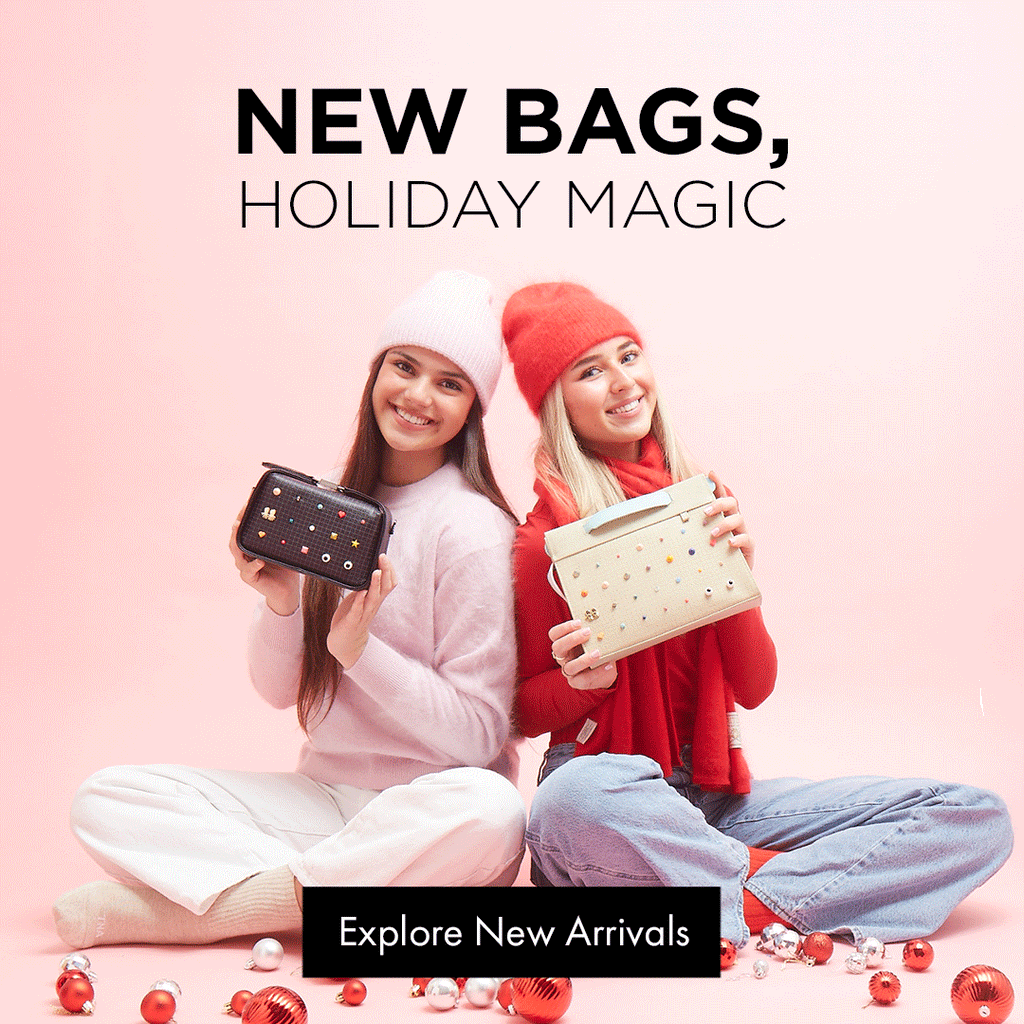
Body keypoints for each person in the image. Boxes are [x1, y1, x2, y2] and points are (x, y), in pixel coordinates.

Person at [502, 280, 1013, 948]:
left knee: (976, 815)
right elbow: (516, 712)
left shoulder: (705, 499)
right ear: (555, 401)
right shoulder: (545, 541)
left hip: (713, 794)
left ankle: (734, 901)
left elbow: (754, 686)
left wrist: (738, 579)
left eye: (630, 356)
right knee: (570, 801)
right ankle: (790, 892)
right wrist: (580, 685)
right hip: (615, 800)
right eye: (590, 371)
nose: (624, 381)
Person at [54, 270, 526, 949]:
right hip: (325, 806)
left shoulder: (473, 529)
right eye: (405, 366)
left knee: (494, 810)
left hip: (430, 816)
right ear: (376, 374)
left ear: (472, 409)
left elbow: (479, 739)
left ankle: (210, 914)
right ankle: (321, 896)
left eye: (450, 383)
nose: (418, 396)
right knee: (104, 797)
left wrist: (362, 653)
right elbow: (278, 693)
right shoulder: (330, 510)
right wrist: (280, 606)